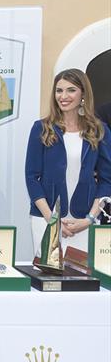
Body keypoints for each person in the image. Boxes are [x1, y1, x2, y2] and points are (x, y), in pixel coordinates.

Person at [25, 68, 111, 253]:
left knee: (82, 280)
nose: (63, 96)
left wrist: (89, 218)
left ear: (83, 94)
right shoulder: (41, 128)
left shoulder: (99, 130)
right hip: (46, 219)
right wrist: (51, 219)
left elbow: (107, 180)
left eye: (71, 90)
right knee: (48, 280)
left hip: (84, 222)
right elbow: (31, 177)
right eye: (59, 90)